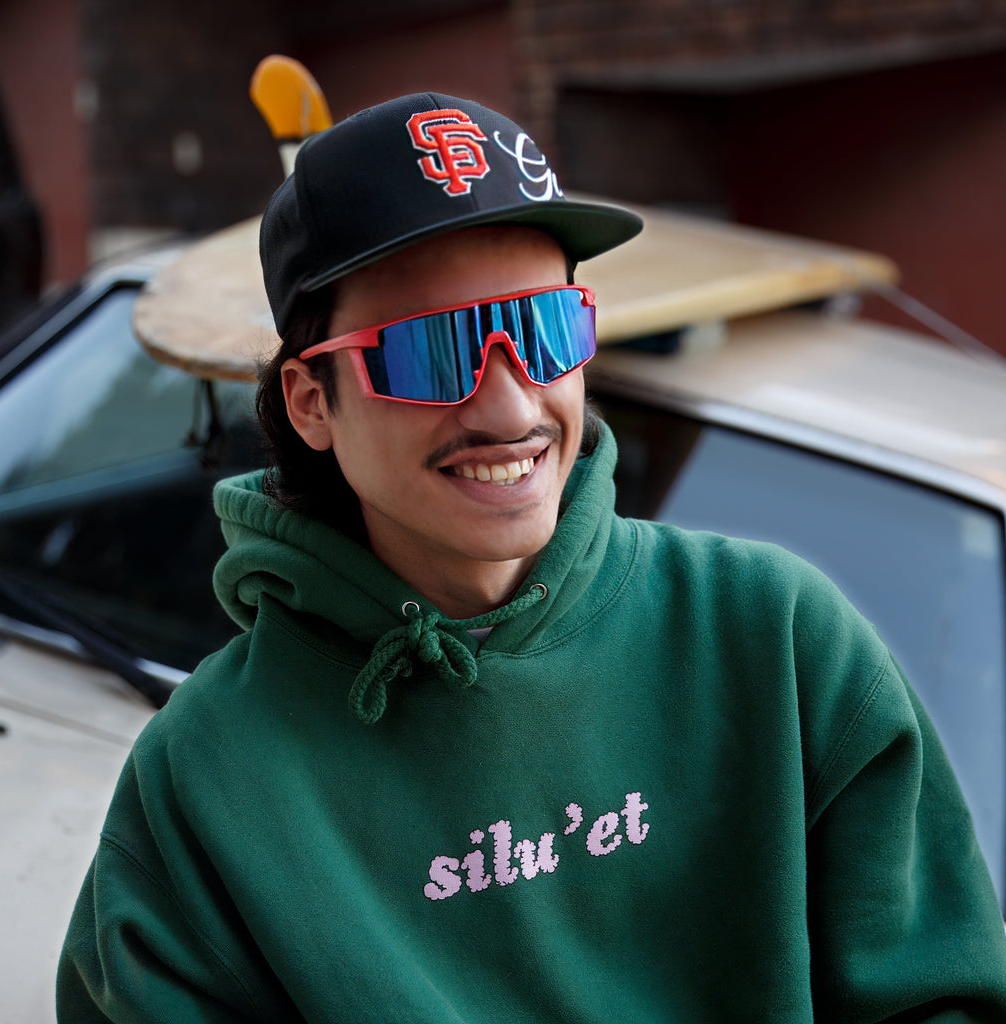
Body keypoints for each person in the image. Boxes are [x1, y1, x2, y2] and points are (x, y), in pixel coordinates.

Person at [57, 93, 1006, 1023]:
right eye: (435, 351)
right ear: (312, 403)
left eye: (547, 329)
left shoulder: (781, 640)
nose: (512, 408)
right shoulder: (206, 778)